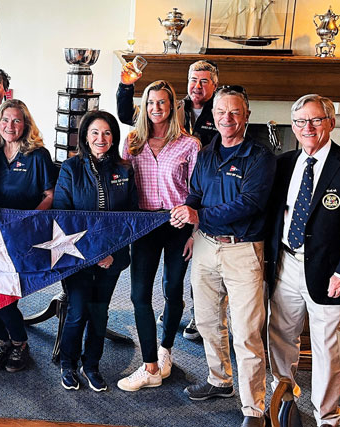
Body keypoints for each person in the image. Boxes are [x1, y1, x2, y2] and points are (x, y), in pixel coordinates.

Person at [171, 86, 274, 427]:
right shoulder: (206, 154)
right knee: (207, 321)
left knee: (245, 332)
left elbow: (250, 203)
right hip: (204, 246)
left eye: (234, 112)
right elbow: (196, 194)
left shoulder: (260, 157)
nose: (226, 118)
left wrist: (199, 217)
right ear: (212, 116)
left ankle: (254, 408)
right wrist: (190, 226)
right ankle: (219, 379)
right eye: (220, 112)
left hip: (242, 249)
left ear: (246, 117)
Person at [266, 94, 340, 426]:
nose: (308, 127)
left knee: (327, 350)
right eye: (300, 121)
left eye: (316, 120)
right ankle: (285, 402)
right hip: (286, 265)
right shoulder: (283, 164)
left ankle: (328, 417)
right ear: (292, 126)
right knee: (279, 337)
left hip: (332, 273)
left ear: (331, 123)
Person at [116, 81, 201, 392]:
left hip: (177, 224)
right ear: (145, 104)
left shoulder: (189, 145)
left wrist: (194, 230)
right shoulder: (132, 142)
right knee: (139, 294)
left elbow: (198, 191)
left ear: (172, 106)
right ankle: (149, 364)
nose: (156, 108)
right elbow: (121, 183)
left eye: (162, 102)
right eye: (151, 102)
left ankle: (165, 350)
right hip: (144, 224)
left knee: (172, 289)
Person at [53, 110, 137, 392]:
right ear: (85, 137)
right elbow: (64, 215)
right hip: (76, 256)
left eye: (107, 133)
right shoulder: (70, 168)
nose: (101, 138)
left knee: (100, 313)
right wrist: (92, 252)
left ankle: (91, 365)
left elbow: (129, 218)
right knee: (77, 311)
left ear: (113, 138)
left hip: (112, 257)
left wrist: (110, 252)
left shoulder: (125, 170)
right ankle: (68, 364)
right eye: (95, 133)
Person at [0, 99, 55, 374]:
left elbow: (50, 195)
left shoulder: (38, 155)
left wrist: (30, 218)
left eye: (16, 121)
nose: (10, 126)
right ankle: (0, 341)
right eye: (5, 120)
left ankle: (19, 343)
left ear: (25, 125)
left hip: (24, 233)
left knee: (6, 292)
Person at [117, 59, 219, 146]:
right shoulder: (173, 108)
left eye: (204, 81)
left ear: (215, 86)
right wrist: (126, 86)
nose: (197, 86)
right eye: (193, 80)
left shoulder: (222, 113)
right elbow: (128, 115)